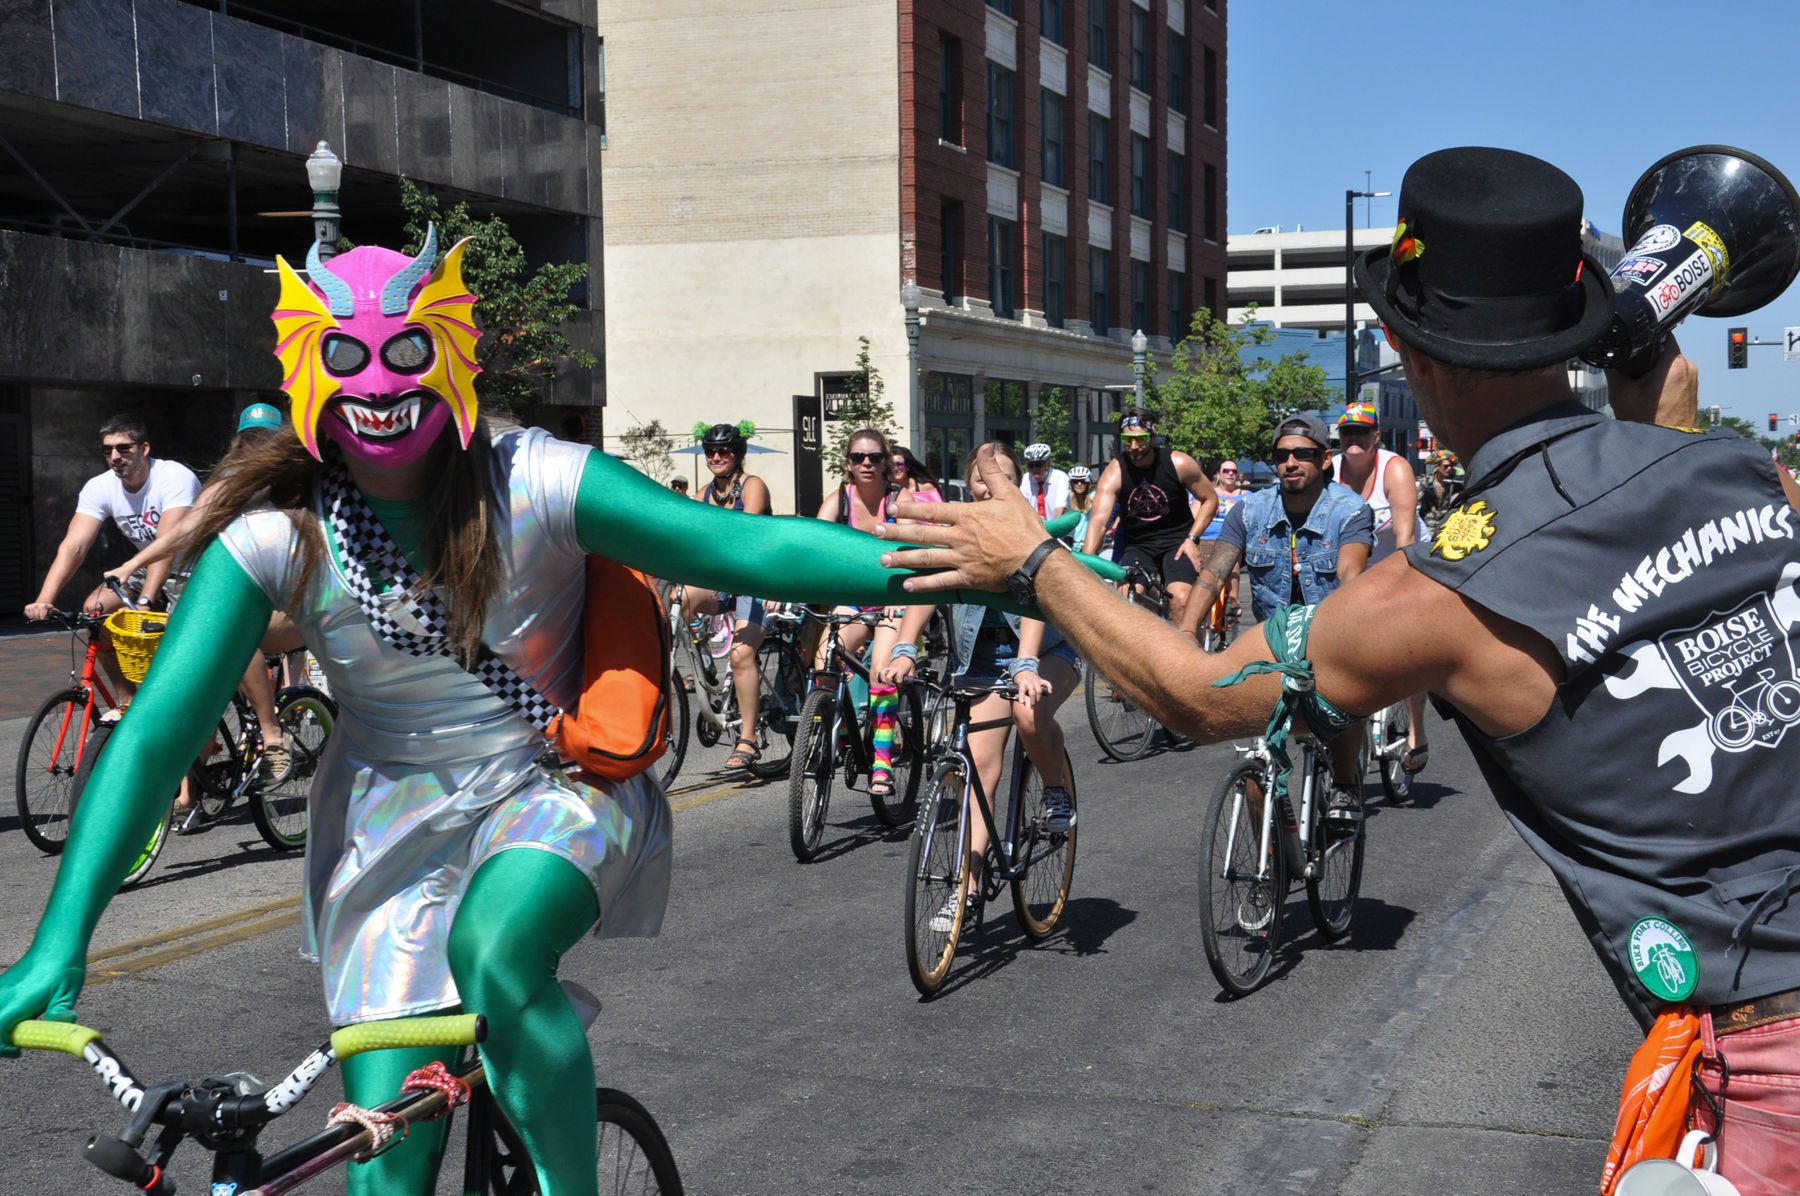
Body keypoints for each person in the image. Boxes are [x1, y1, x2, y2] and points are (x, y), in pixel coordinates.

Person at [879, 146, 1800, 1194]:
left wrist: (1034, 563)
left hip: (1768, 1065)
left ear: (1413, 355)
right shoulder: (1738, 469)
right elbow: (1659, 443)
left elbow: (1191, 689)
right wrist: (1637, 356)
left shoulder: (1441, 592)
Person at [0, 228, 992, 1196]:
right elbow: (154, 735)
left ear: (451, 351)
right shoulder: (272, 537)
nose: (380, 383)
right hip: (384, 832)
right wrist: (60, 939)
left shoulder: (539, 480)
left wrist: (1009, 569)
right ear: (308, 362)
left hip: (551, 783)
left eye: (408, 350)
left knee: (495, 945)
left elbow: (750, 549)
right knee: (383, 1161)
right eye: (346, 354)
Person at [879, 441, 1079, 928]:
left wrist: (1028, 664)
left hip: (1048, 650)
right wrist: (905, 648)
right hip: (982, 661)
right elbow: (926, 588)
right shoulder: (956, 534)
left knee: (1031, 715)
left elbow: (1032, 606)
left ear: (1015, 485)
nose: (990, 484)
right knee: (977, 773)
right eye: (981, 477)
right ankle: (966, 892)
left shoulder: (1033, 533)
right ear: (967, 486)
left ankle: (1055, 790)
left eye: (1003, 476)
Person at [101, 403, 296, 805]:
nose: (258, 446)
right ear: (240, 441)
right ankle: (190, 787)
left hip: (291, 595)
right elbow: (187, 526)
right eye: (250, 438)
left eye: (267, 438)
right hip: (247, 586)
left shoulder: (302, 479)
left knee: (237, 641)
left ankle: (272, 735)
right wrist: (133, 563)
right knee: (187, 661)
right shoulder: (230, 479)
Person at [1200, 414, 1374, 797]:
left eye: (1302, 454)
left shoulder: (1351, 510)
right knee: (1255, 768)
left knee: (1349, 694)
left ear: (1325, 459)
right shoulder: (1249, 511)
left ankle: (1345, 784)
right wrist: (1182, 632)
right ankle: (1273, 853)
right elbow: (1213, 574)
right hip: (1270, 641)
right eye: (1281, 456)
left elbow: (1350, 572)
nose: (1290, 463)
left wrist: (1352, 631)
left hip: (1329, 636)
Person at [27, 412, 200, 628]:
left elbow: (166, 546)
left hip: (193, 568)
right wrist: (45, 600)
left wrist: (145, 602)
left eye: (123, 448)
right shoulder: (99, 487)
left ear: (144, 449)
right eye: (107, 450)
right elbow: (75, 547)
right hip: (146, 565)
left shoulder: (174, 477)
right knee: (95, 611)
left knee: (179, 639)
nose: (115, 456)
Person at [1332, 401, 1430, 775]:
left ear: (1376, 436)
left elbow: (1405, 537)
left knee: (1404, 648)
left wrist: (1403, 590)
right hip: (1356, 561)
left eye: (1361, 432)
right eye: (1346, 432)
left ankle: (1417, 730)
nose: (1353, 439)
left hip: (1399, 558)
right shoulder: (1332, 470)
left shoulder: (1396, 468)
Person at [674, 421, 776, 772]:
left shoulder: (752, 486)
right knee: (677, 601)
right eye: (711, 451)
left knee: (741, 653)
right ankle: (697, 670)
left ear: (738, 454)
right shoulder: (704, 492)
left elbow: (745, 536)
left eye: (725, 450)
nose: (717, 456)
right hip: (723, 581)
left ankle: (747, 738)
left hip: (756, 581)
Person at [814, 429, 908, 800]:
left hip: (893, 598)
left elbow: (918, 548)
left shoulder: (901, 499)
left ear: (886, 462)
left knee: (882, 674)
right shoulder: (838, 499)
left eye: (873, 457)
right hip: (852, 598)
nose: (865, 464)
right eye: (857, 458)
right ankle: (830, 736)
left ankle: (882, 762)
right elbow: (814, 544)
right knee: (824, 663)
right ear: (847, 463)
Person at [1081, 408, 1219, 633]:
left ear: (1153, 437)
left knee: (1181, 599)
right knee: (1127, 597)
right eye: (1127, 440)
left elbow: (1210, 498)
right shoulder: (1114, 472)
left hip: (1177, 542)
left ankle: (1184, 658)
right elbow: (1097, 522)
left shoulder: (1178, 463)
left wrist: (1193, 539)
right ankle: (1152, 619)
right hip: (1137, 545)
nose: (1134, 447)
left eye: (1140, 439)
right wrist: (1085, 565)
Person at [1416, 450, 1463, 537]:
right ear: (1437, 467)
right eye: (1446, 466)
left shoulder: (1454, 483)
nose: (1449, 468)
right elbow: (1415, 500)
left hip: (1447, 522)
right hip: (1429, 523)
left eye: (1451, 466)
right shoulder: (1426, 482)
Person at [1020, 442, 1070, 520]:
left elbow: (1060, 510)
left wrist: (1053, 529)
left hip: (1058, 527)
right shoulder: (1024, 480)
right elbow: (1022, 509)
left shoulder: (1060, 477)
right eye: (1030, 465)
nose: (1034, 469)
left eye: (1038, 465)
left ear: (1048, 464)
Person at [1065, 464, 1096, 549]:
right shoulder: (1066, 498)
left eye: (1083, 481)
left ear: (1088, 483)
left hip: (1089, 545)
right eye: (1075, 481)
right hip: (1070, 544)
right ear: (1071, 483)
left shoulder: (1094, 496)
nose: (1079, 484)